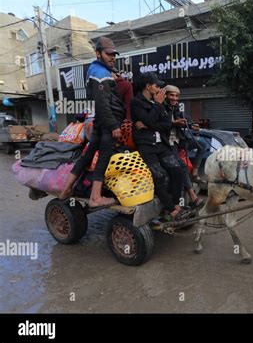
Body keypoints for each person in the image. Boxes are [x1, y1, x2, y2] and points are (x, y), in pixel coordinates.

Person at [59, 37, 125, 208]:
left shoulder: (97, 70)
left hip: (100, 122)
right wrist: (114, 126)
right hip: (107, 122)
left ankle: (66, 188)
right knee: (103, 158)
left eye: (114, 55)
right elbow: (103, 104)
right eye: (108, 54)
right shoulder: (100, 74)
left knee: (87, 155)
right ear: (98, 54)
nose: (112, 58)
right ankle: (96, 197)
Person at [131, 72, 188, 220]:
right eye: (156, 86)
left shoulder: (158, 103)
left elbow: (166, 124)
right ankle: (171, 209)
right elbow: (152, 121)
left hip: (160, 144)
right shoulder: (137, 102)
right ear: (148, 86)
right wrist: (156, 108)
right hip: (146, 146)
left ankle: (176, 204)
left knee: (177, 170)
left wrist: (150, 123)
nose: (159, 89)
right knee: (159, 176)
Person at [163, 84, 204, 209]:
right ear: (165, 96)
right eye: (171, 95)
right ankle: (191, 198)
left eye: (176, 96)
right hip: (165, 144)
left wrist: (191, 125)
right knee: (182, 167)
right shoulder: (161, 108)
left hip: (176, 142)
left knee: (201, 145)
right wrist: (174, 123)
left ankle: (195, 175)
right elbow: (158, 124)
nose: (174, 98)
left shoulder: (176, 108)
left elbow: (184, 119)